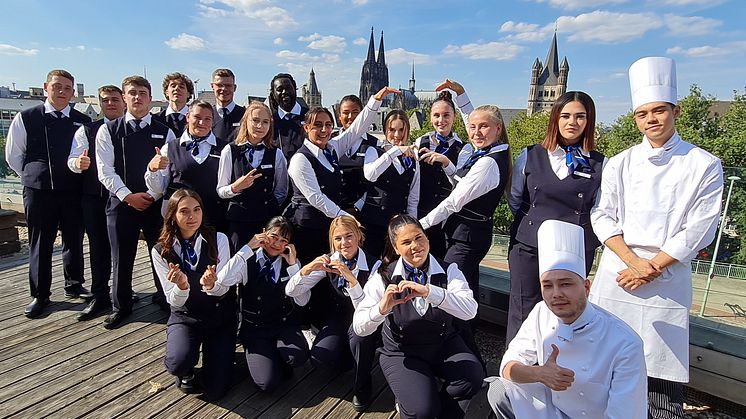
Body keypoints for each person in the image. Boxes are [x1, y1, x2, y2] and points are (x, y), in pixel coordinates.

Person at [589, 57, 724, 418]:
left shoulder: (704, 164)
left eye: (659, 111)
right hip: (618, 276)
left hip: (666, 280)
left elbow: (699, 228)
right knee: (606, 367)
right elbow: (602, 215)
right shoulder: (620, 162)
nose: (651, 119)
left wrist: (651, 267)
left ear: (676, 111)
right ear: (635, 119)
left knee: (661, 381)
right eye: (643, 113)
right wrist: (634, 262)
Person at [488, 220, 647, 419]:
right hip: (551, 411)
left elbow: (625, 414)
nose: (556, 294)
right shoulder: (541, 312)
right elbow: (508, 366)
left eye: (565, 284)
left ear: (586, 288)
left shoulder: (625, 343)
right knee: (498, 389)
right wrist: (540, 374)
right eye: (548, 285)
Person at [353, 214, 484, 419]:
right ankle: (414, 401)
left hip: (442, 343)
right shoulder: (383, 276)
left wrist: (429, 292)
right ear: (396, 249)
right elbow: (359, 327)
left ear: (428, 240)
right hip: (402, 352)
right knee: (422, 411)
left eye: (419, 238)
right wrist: (382, 308)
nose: (415, 246)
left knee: (472, 378)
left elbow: (470, 311)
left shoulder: (449, 270)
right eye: (406, 242)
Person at [505, 91, 605, 344]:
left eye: (580, 116)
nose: (573, 122)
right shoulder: (530, 155)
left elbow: (601, 209)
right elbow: (516, 198)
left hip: (575, 249)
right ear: (555, 119)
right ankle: (516, 375)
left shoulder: (602, 164)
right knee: (522, 309)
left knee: (565, 311)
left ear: (589, 121)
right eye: (566, 116)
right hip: (528, 246)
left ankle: (559, 371)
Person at [5, 69, 92, 318]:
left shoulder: (81, 120)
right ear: (46, 87)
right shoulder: (26, 117)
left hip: (72, 190)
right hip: (39, 191)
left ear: (73, 92)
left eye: (67, 88)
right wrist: (34, 175)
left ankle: (74, 284)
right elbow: (14, 156)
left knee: (74, 240)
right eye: (57, 86)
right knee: (40, 242)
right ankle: (40, 294)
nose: (62, 91)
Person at [96, 75, 177, 329]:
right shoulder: (108, 130)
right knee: (122, 255)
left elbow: (171, 171)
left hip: (155, 205)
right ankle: (121, 306)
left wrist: (152, 196)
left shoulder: (166, 132)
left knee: (162, 255)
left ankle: (166, 300)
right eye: (132, 93)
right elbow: (104, 170)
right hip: (122, 204)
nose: (137, 97)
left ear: (150, 98)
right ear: (124, 97)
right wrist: (128, 196)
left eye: (142, 93)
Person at [420, 80, 510, 304]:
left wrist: (419, 225)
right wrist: (461, 94)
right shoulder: (483, 152)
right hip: (466, 233)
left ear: (498, 129)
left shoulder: (488, 162)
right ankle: (467, 333)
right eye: (473, 127)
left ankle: (457, 336)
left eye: (484, 127)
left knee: (452, 291)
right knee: (466, 287)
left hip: (467, 236)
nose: (476, 132)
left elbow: (454, 201)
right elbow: (473, 120)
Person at [286, 86, 396, 262]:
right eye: (318, 125)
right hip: (308, 228)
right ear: (306, 128)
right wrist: (346, 216)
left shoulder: (331, 148)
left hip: (330, 227)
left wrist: (375, 100)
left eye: (328, 125)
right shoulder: (300, 159)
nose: (324, 130)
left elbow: (355, 130)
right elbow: (316, 198)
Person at [285, 215, 380, 411]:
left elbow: (365, 308)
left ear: (359, 237)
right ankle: (346, 360)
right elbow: (291, 291)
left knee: (359, 336)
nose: (344, 243)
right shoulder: (330, 260)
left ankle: (362, 385)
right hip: (339, 317)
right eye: (338, 239)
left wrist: (351, 279)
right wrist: (307, 269)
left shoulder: (374, 265)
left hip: (365, 320)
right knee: (321, 359)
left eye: (349, 236)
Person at [151, 189, 236, 400]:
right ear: (172, 216)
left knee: (216, 389)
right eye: (184, 211)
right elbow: (172, 300)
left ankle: (215, 354)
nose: (192, 217)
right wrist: (181, 286)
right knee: (177, 363)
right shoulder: (161, 250)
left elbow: (224, 288)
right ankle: (186, 367)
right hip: (186, 317)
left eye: (197, 210)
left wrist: (211, 285)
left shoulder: (219, 239)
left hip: (219, 317)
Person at [213, 216, 309, 392]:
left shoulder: (291, 263)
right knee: (267, 383)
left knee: (299, 356)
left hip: (282, 324)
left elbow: (302, 301)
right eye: (273, 236)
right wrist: (248, 247)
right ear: (264, 233)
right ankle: (268, 357)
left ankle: (279, 357)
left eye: (283, 241)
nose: (276, 244)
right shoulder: (247, 260)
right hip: (255, 328)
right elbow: (223, 281)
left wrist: (294, 266)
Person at [67, 85, 126, 320]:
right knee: (98, 247)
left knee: (123, 250)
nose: (110, 104)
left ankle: (123, 292)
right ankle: (99, 294)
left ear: (123, 102)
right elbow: (72, 159)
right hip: (94, 197)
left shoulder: (129, 129)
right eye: (105, 100)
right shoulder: (87, 130)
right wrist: (76, 164)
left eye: (114, 99)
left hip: (123, 199)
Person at [145, 100, 227, 233]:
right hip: (177, 221)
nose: (202, 123)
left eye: (207, 119)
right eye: (197, 117)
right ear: (188, 116)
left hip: (212, 219)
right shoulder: (169, 148)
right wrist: (152, 170)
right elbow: (159, 188)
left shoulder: (225, 149)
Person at [217, 101, 288, 251]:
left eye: (265, 122)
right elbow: (221, 190)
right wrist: (235, 188)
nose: (260, 126)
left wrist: (269, 207)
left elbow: (281, 190)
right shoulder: (230, 151)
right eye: (255, 120)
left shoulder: (276, 154)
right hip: (238, 221)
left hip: (266, 221)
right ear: (246, 121)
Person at [414, 83, 474, 259]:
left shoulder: (464, 149)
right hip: (420, 212)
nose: (441, 120)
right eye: (437, 115)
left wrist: (447, 163)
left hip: (447, 220)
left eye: (446, 115)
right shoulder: (421, 141)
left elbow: (461, 185)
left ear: (454, 117)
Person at [359, 109, 420, 257]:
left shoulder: (413, 159)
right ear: (386, 130)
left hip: (397, 227)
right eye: (392, 130)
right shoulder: (374, 151)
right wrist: (395, 151)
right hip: (372, 223)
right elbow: (371, 175)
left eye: (401, 130)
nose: (397, 135)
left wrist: (412, 226)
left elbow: (413, 198)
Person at [334, 94, 383, 213]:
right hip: (332, 208)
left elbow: (377, 182)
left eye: (355, 112)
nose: (350, 117)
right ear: (339, 116)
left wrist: (357, 207)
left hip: (364, 210)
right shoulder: (330, 142)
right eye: (346, 112)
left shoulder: (375, 143)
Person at [268, 73, 307, 161]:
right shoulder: (269, 121)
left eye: (288, 88)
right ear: (273, 94)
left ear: (295, 89)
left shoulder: (310, 117)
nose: (284, 92)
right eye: (279, 89)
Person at [210, 68, 244, 147]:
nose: (224, 89)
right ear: (212, 86)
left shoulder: (245, 115)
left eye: (228, 85)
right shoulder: (206, 115)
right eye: (219, 85)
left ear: (234, 88)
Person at [153, 72, 194, 137]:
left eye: (181, 87)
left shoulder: (196, 119)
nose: (177, 88)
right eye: (173, 86)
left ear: (188, 93)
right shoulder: (154, 119)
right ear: (166, 92)